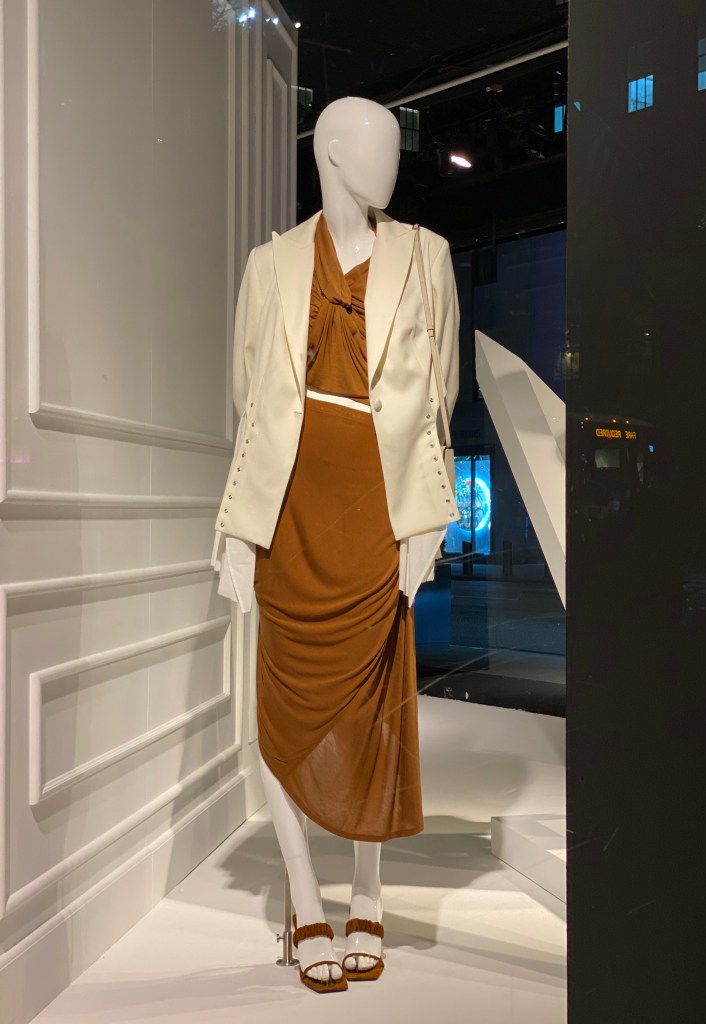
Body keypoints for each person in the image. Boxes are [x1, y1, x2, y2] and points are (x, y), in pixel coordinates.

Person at [211, 96, 459, 993]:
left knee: (372, 703)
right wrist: (245, 525)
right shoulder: (271, 262)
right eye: (373, 145)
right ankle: (306, 896)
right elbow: (249, 393)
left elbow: (440, 395)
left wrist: (424, 516)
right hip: (290, 507)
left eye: (394, 145)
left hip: (377, 506)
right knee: (285, 702)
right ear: (330, 154)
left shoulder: (425, 255)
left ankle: (367, 890)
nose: (389, 160)